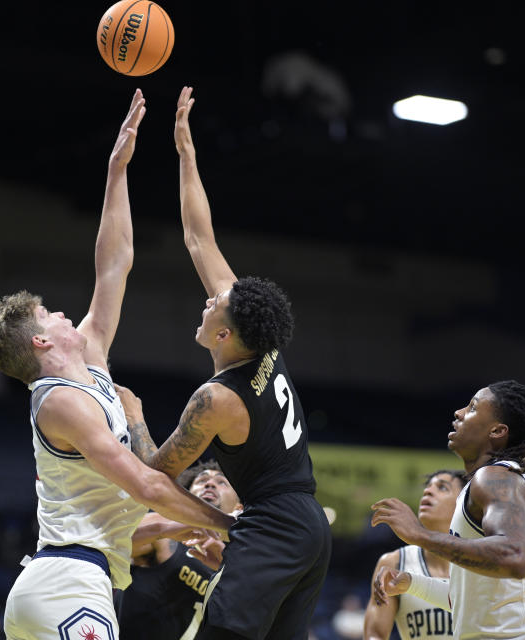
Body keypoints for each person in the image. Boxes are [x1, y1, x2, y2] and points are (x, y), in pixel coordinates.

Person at [0, 89, 236, 640]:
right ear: (43, 344)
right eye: (50, 314)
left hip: (75, 581)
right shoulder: (60, 404)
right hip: (68, 582)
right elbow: (145, 485)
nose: (66, 312)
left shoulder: (90, 358)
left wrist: (117, 169)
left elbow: (115, 263)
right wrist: (229, 525)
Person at [117, 86, 331, 640]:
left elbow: (155, 476)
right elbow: (197, 237)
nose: (209, 298)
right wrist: (187, 156)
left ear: (226, 333)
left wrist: (135, 418)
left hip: (274, 525)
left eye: (216, 304)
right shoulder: (262, 346)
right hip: (307, 524)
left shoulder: (217, 398)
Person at [370, 380, 525, 639]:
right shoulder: (484, 484)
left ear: (497, 431)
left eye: (472, 408)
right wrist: (411, 583)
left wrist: (419, 534)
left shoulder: (496, 477)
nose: (458, 412)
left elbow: (514, 557)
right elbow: (466, 599)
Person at [119, 461, 242, 640]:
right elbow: (110, 540)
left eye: (221, 482)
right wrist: (163, 528)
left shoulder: (243, 563)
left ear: (239, 507)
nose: (209, 484)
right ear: (187, 496)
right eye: (202, 480)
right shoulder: (165, 529)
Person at [363, 469, 466, 640]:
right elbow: (375, 634)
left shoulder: (481, 560)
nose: (428, 490)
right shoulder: (395, 562)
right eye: (428, 486)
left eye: (442, 487)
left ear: (463, 502)